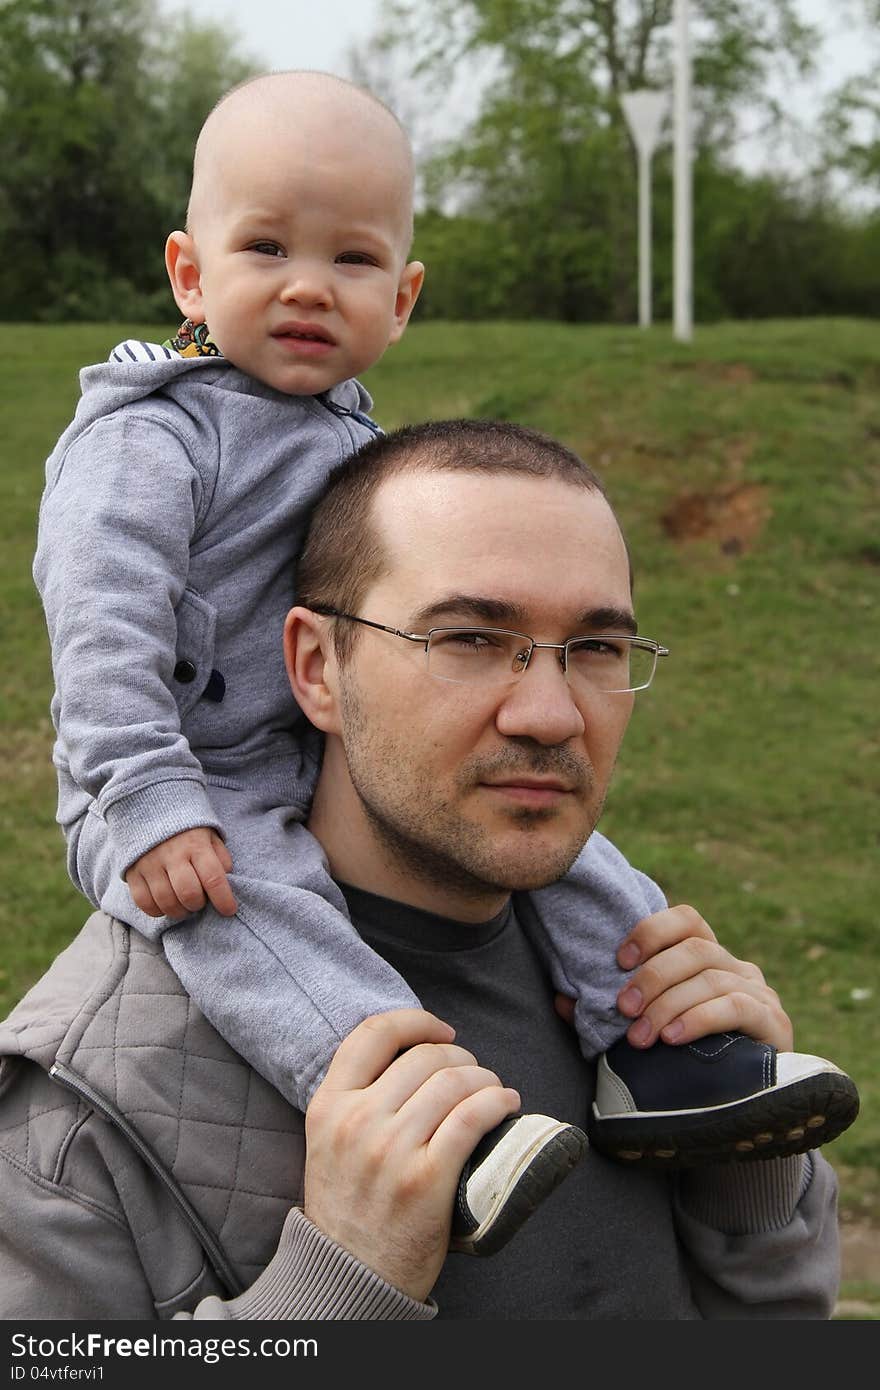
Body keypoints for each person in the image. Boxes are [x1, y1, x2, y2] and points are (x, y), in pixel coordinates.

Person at [30, 67, 856, 1264]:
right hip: (180, 788)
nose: (310, 284)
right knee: (255, 915)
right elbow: (101, 626)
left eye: (354, 261)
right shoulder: (150, 436)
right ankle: (419, 1112)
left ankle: (660, 1058)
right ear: (188, 273)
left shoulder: (354, 440)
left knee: (574, 854)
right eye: (265, 246)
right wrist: (144, 794)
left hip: (313, 750)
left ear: (404, 296)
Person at [2, 419, 847, 1319]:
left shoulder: (637, 1000)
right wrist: (338, 1289)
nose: (551, 714)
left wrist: (748, 1180)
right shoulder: (79, 1108)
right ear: (317, 667)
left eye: (596, 649)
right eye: (472, 639)